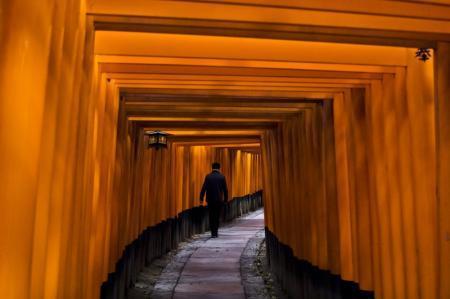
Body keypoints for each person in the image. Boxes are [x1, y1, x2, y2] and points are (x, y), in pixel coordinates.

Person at [199, 162, 229, 238]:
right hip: (219, 200)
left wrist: (201, 198)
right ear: (219, 168)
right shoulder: (222, 177)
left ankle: (212, 233)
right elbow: (225, 189)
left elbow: (204, 188)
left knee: (211, 216)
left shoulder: (208, 177)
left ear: (212, 168)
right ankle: (216, 232)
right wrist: (225, 200)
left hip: (210, 200)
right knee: (217, 216)